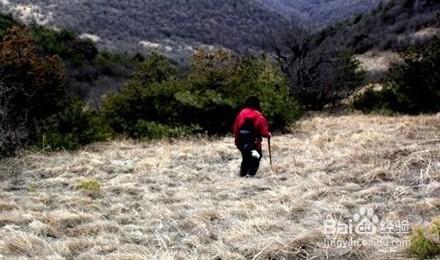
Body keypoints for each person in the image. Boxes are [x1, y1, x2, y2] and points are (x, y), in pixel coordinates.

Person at [233, 96, 271, 177]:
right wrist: (268, 135)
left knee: (245, 158)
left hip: (242, 142)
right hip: (254, 143)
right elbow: (264, 132)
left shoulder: (241, 114)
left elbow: (236, 129)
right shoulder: (259, 116)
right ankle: (250, 174)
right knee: (257, 156)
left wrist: (237, 141)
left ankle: (242, 175)